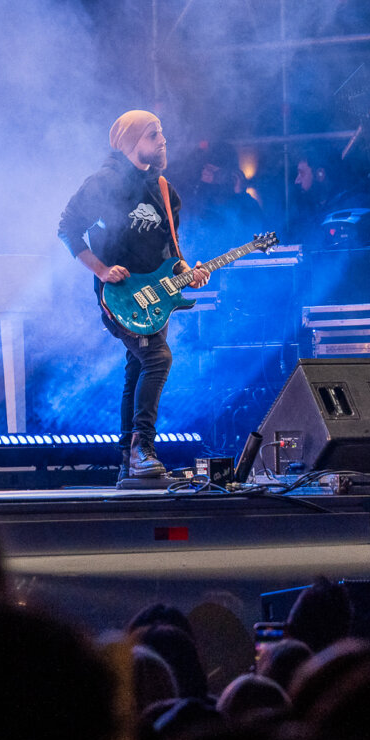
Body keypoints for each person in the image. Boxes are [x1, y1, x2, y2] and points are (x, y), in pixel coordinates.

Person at [57, 110, 209, 486]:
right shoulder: (105, 183)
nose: (162, 140)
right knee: (157, 357)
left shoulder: (163, 189)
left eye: (161, 133)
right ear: (130, 142)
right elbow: (68, 228)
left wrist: (188, 273)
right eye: (152, 134)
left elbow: (169, 253)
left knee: (138, 366)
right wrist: (101, 270)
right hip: (121, 296)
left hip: (156, 296)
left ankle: (128, 461)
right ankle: (144, 448)